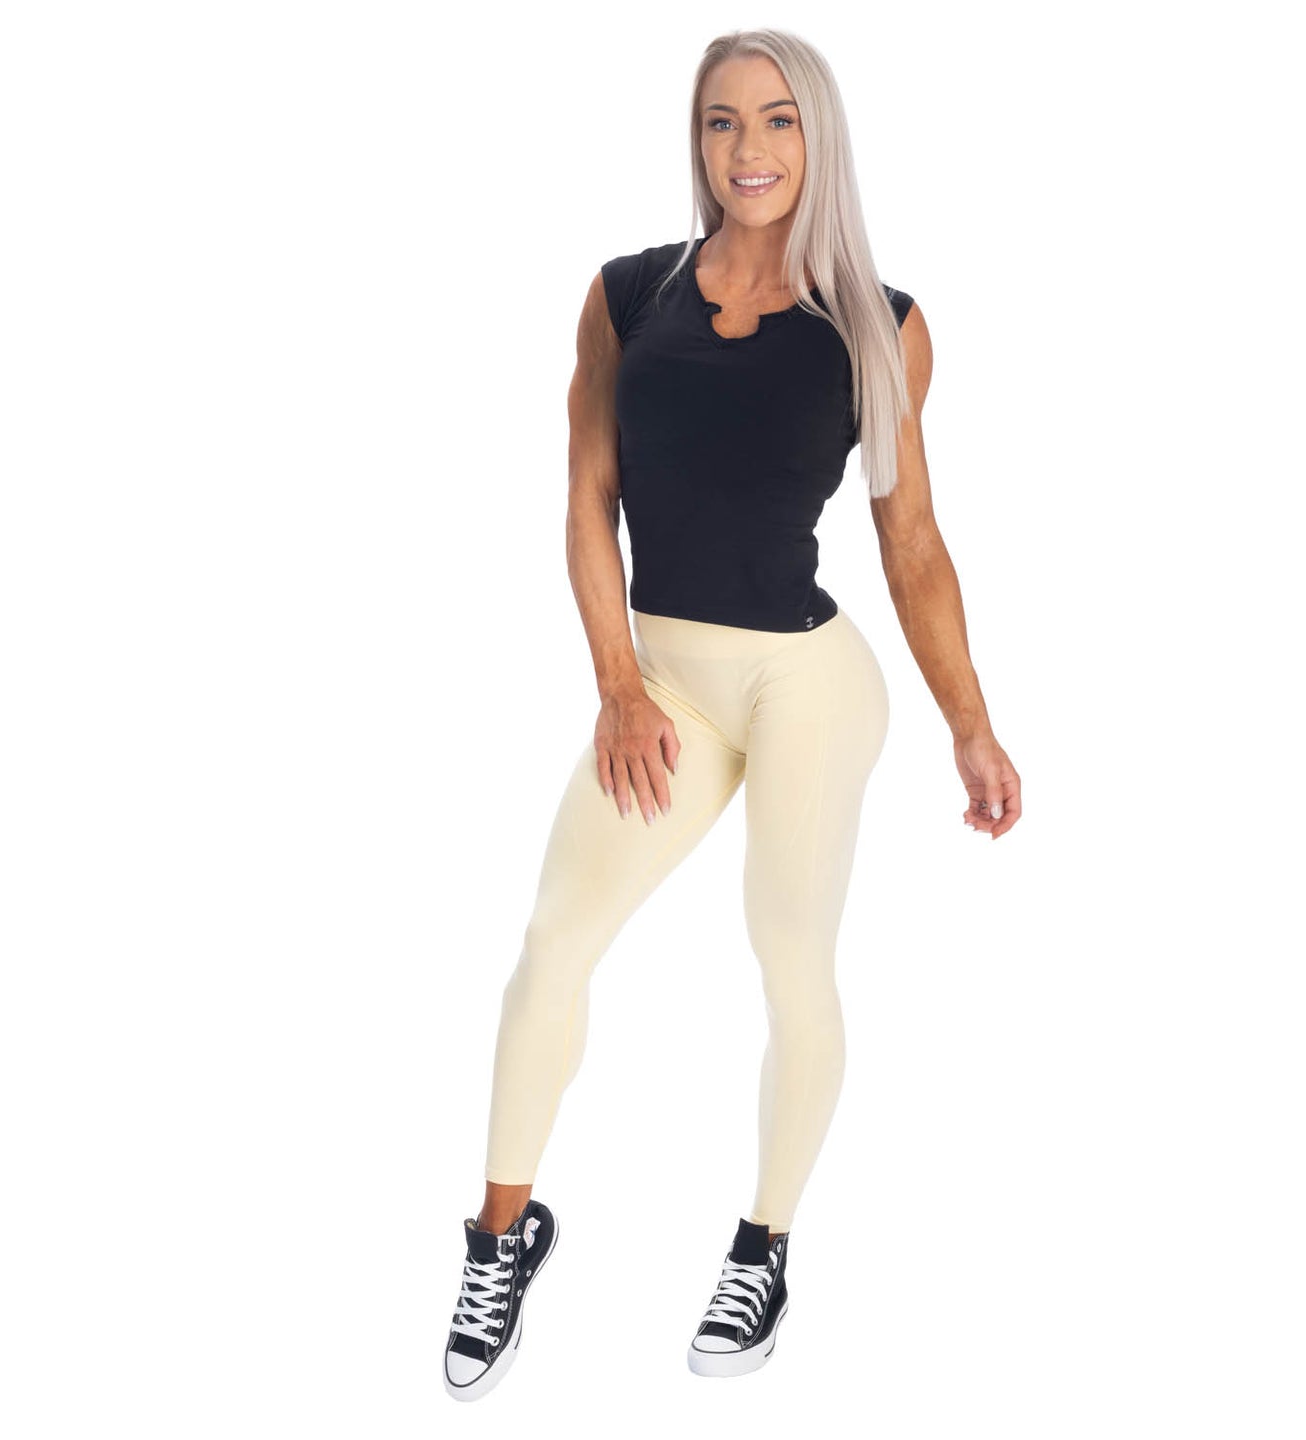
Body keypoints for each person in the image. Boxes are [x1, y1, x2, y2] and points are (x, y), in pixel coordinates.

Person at [443, 28, 1021, 1400]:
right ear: (696, 140)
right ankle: (499, 1237)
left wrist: (972, 723)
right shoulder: (626, 296)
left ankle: (763, 1246)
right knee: (553, 943)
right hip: (665, 686)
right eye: (721, 122)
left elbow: (912, 543)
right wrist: (617, 687)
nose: (747, 149)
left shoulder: (880, 323)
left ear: (817, 138)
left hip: (810, 681)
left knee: (788, 954)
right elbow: (587, 499)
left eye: (775, 120)